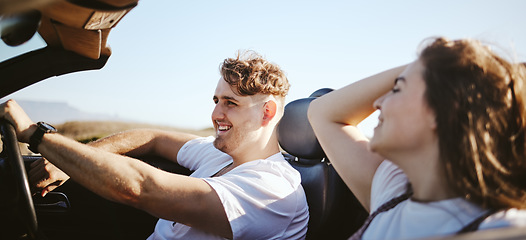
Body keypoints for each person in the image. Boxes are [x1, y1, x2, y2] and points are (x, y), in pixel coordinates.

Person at [0, 51, 309, 239]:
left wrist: (37, 136)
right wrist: (65, 163)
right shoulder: (220, 155)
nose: (216, 114)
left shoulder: (272, 188)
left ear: (267, 111)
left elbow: (140, 187)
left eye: (230, 103)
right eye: (216, 101)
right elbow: (153, 137)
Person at [308, 37, 526, 239]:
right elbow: (321, 113)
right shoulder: (393, 190)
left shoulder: (503, 229)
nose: (377, 103)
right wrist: (439, 63)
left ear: (443, 110)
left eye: (397, 89)